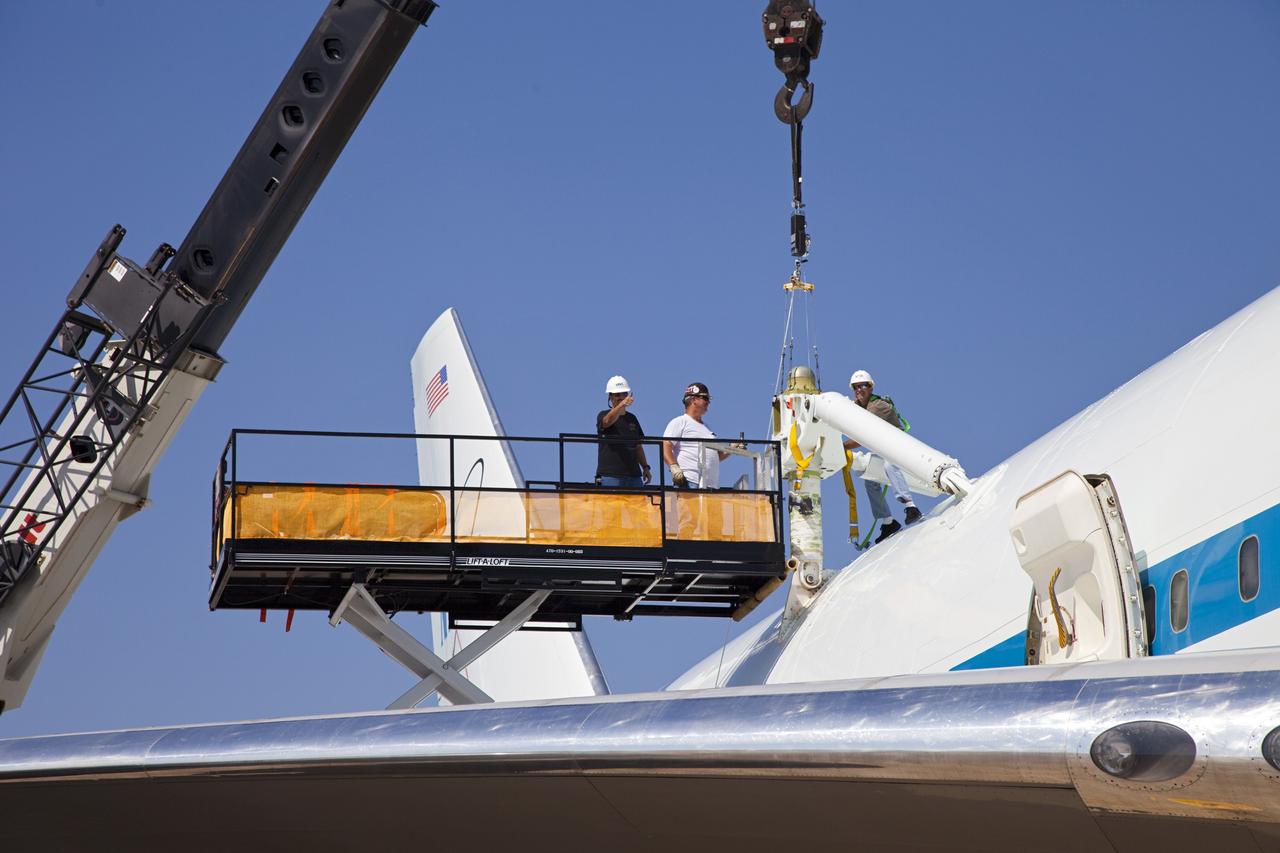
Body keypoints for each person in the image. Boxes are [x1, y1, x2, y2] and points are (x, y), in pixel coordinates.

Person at [843, 370, 922, 543]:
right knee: (870, 479)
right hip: (883, 449)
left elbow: (861, 437)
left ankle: (911, 507)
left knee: (889, 466)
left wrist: (841, 447)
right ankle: (888, 522)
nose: (858, 390)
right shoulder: (859, 406)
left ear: (870, 387)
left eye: (862, 386)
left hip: (898, 447)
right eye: (855, 387)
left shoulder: (878, 406)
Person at [662, 382, 729, 489]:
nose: (708, 402)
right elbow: (665, 445)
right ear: (693, 399)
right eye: (705, 398)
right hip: (690, 482)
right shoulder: (680, 422)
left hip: (711, 486)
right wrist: (674, 467)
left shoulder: (707, 428)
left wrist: (732, 448)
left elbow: (717, 456)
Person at [595, 375, 650, 487]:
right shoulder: (603, 414)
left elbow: (638, 446)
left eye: (623, 393)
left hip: (634, 476)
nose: (621, 397)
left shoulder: (632, 419)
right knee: (611, 505)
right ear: (610, 396)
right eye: (617, 394)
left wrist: (645, 467)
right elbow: (606, 422)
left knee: (637, 505)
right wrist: (621, 405)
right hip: (610, 476)